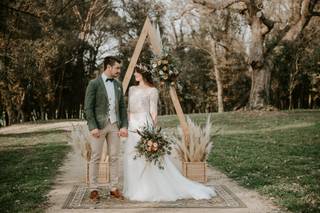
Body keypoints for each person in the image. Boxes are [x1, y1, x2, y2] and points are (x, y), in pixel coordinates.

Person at [123, 64, 216, 201]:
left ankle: (149, 188)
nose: (134, 74)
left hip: (145, 125)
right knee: (133, 157)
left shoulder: (152, 91)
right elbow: (129, 109)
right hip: (133, 126)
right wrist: (128, 125)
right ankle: (136, 188)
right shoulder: (131, 89)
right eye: (135, 72)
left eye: (137, 72)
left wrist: (153, 133)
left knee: (148, 158)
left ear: (143, 73)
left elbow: (153, 112)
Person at [84, 56, 128, 201]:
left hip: (114, 125)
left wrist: (124, 126)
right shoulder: (94, 84)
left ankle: (114, 188)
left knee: (115, 156)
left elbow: (122, 107)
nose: (119, 71)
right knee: (96, 157)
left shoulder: (118, 84)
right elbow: (88, 107)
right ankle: (94, 189)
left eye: (119, 68)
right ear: (108, 67)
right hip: (99, 126)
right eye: (117, 68)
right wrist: (93, 127)